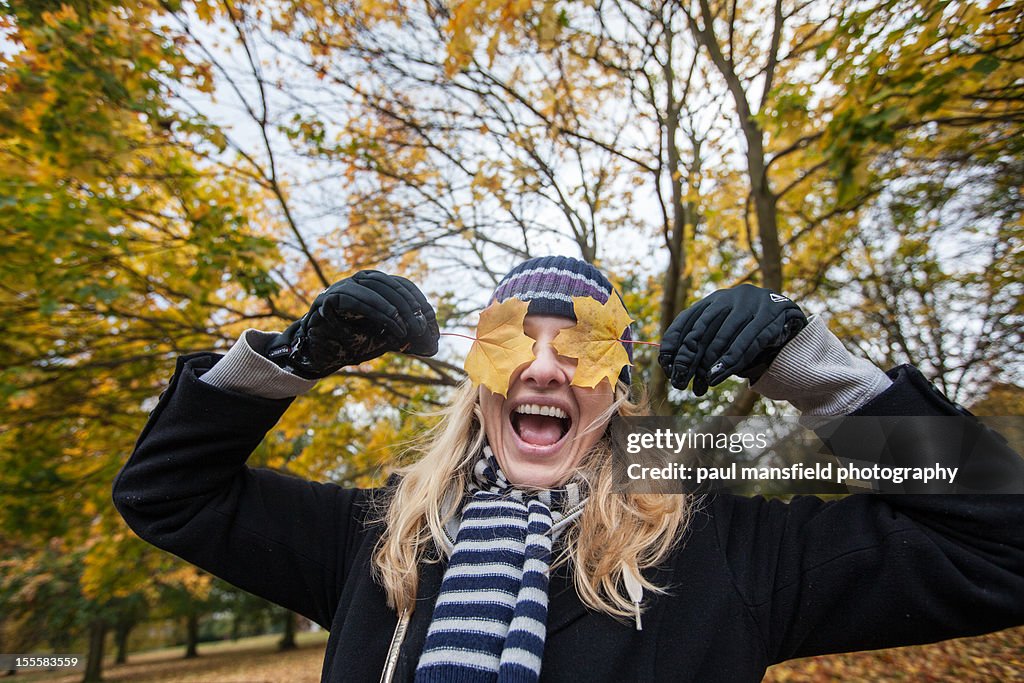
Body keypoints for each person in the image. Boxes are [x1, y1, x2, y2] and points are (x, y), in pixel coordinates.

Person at [113, 255, 1024, 682]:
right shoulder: (379, 539)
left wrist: (821, 377)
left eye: (580, 349)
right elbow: (168, 493)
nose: (543, 369)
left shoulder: (722, 547)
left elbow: (1003, 546)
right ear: (478, 379)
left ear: (617, 389)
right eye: (512, 343)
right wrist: (289, 357)